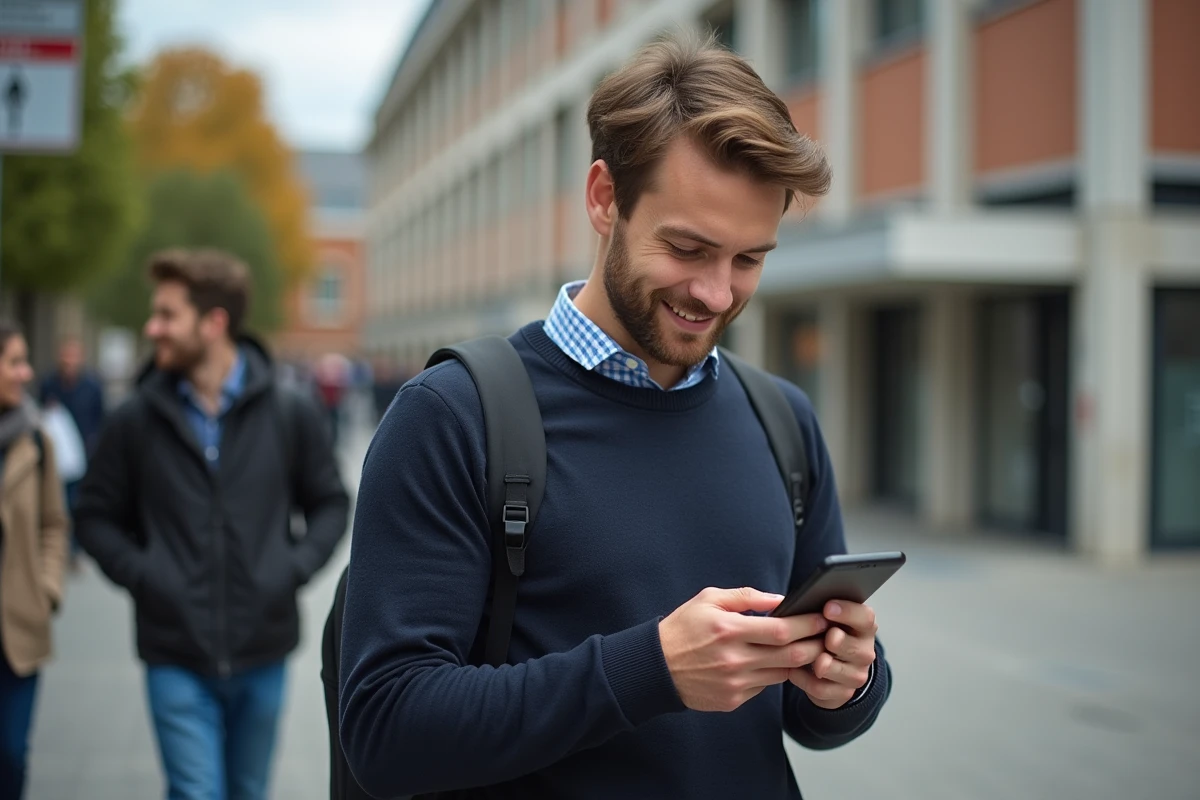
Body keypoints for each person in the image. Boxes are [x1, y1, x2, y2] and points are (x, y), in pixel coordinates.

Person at [339, 34, 893, 800]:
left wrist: (849, 681)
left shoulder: (783, 421)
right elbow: (385, 730)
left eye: (748, 259)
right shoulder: (453, 416)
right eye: (688, 248)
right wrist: (651, 669)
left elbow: (810, 720)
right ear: (605, 198)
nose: (717, 293)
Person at [75, 249, 350, 800]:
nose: (153, 328)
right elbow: (94, 515)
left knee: (248, 790)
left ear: (214, 322)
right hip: (173, 651)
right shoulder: (135, 418)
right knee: (195, 790)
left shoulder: (289, 412)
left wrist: (288, 569)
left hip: (264, 649)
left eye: (167, 315)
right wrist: (148, 576)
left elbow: (331, 503)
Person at [0, 320, 68, 798]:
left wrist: (47, 589)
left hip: (17, 629)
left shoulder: (36, 441)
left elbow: (54, 524)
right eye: (14, 362)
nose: (26, 373)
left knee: (10, 754)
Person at [38, 337, 106, 570]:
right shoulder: (50, 384)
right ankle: (59, 550)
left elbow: (101, 418)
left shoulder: (92, 386)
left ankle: (75, 549)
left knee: (77, 502)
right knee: (56, 503)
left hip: (83, 456)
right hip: (56, 455)